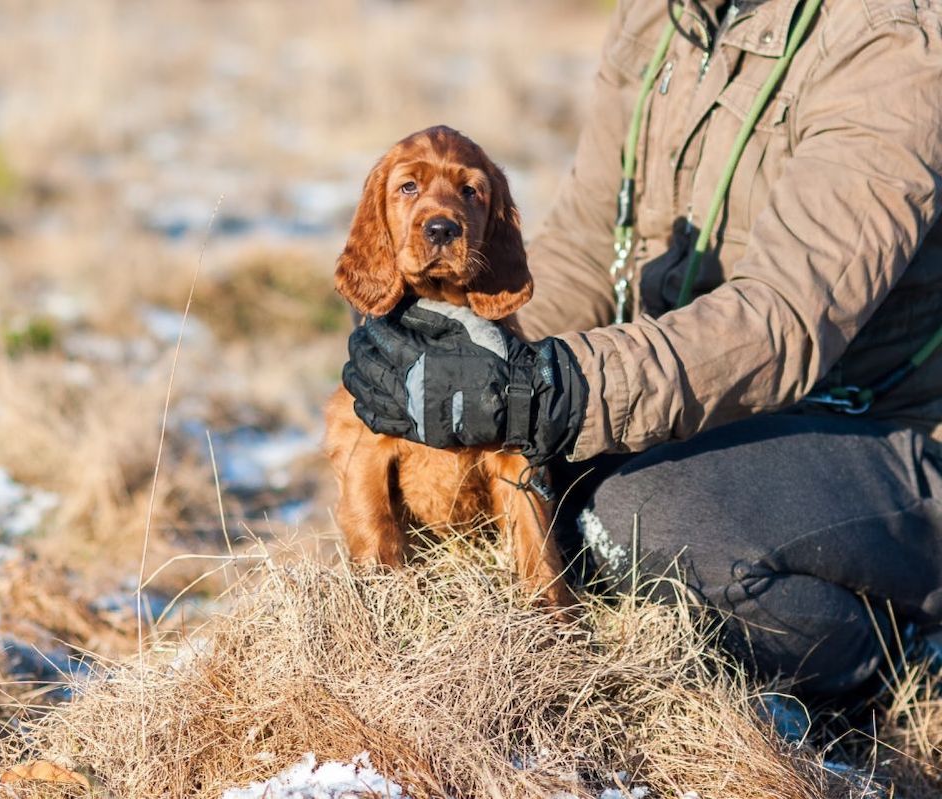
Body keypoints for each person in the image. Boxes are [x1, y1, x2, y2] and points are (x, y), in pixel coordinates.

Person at [342, 0, 942, 697]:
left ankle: (893, 659)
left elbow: (783, 321)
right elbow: (590, 246)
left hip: (886, 430)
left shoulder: (892, 39)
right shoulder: (662, 16)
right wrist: (459, 351)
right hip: (715, 403)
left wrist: (545, 392)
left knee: (644, 520)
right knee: (551, 489)